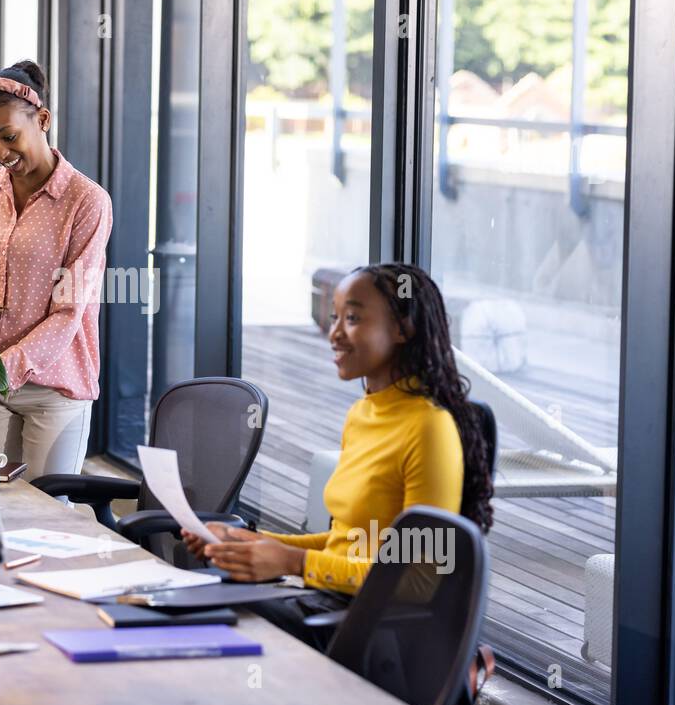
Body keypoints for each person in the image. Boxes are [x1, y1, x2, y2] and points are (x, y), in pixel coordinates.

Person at [182, 263, 494, 650]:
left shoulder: (430, 428)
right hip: (325, 600)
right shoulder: (363, 414)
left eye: (353, 318)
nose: (335, 334)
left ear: (403, 328)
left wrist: (293, 563)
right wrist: (253, 542)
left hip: (365, 626)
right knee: (183, 602)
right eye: (334, 317)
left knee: (198, 620)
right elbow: (348, 541)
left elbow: (419, 578)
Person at [0, 60, 113, 480]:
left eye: (9, 137)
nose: (0, 153)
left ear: (44, 120)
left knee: (47, 514)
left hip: (55, 389)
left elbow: (68, 315)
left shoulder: (87, 201)